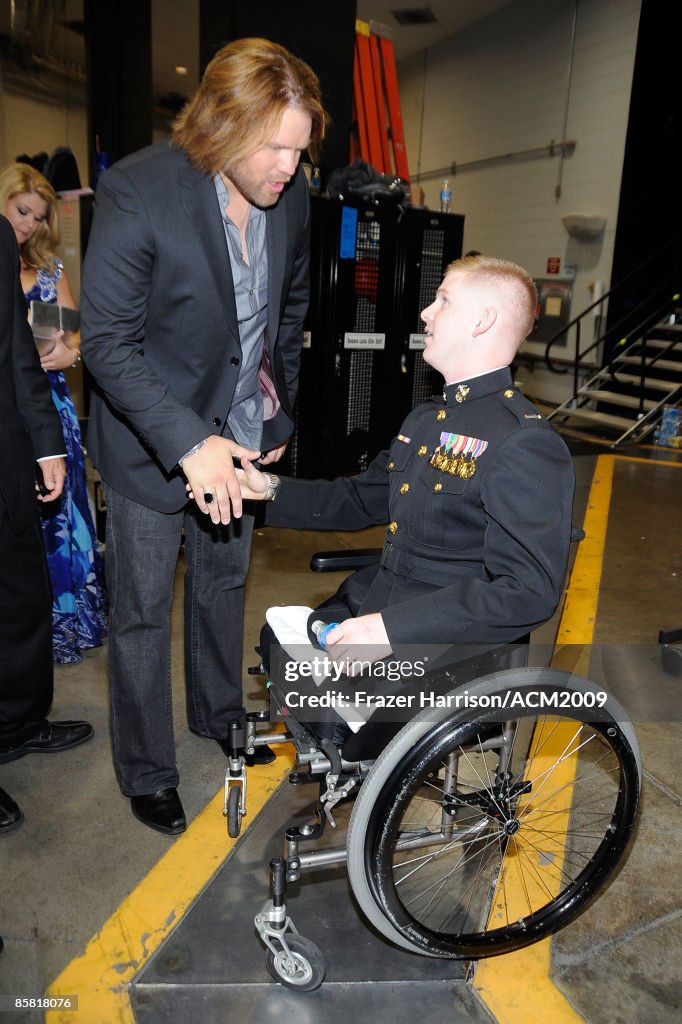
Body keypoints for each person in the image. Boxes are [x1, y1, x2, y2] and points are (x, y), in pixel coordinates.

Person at [80, 37, 327, 835]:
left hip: (244, 429)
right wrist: (189, 444)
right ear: (222, 124)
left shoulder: (290, 198)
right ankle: (147, 769)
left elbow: (286, 313)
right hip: (154, 442)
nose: (288, 167)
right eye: (274, 147)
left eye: (299, 147)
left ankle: (221, 716)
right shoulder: (139, 192)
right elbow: (108, 342)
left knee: (222, 587)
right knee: (143, 612)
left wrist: (276, 405)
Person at [235, 255, 576, 723]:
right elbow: (360, 499)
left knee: (329, 702)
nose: (425, 313)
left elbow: (528, 591)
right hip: (380, 598)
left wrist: (391, 629)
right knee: (282, 644)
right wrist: (268, 488)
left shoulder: (524, 440)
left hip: (441, 637)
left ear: (484, 320)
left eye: (443, 300)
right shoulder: (426, 419)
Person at [0, 213, 94, 837]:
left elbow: (22, 348)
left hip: (11, 445)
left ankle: (19, 722)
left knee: (23, 593)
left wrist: (45, 442)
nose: (29, 220)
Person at [0, 163, 107, 665]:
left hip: (52, 410)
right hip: (9, 413)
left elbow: (72, 338)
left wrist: (71, 353)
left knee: (59, 520)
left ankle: (64, 624)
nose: (28, 225)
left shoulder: (47, 272)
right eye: (22, 211)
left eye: (38, 218)